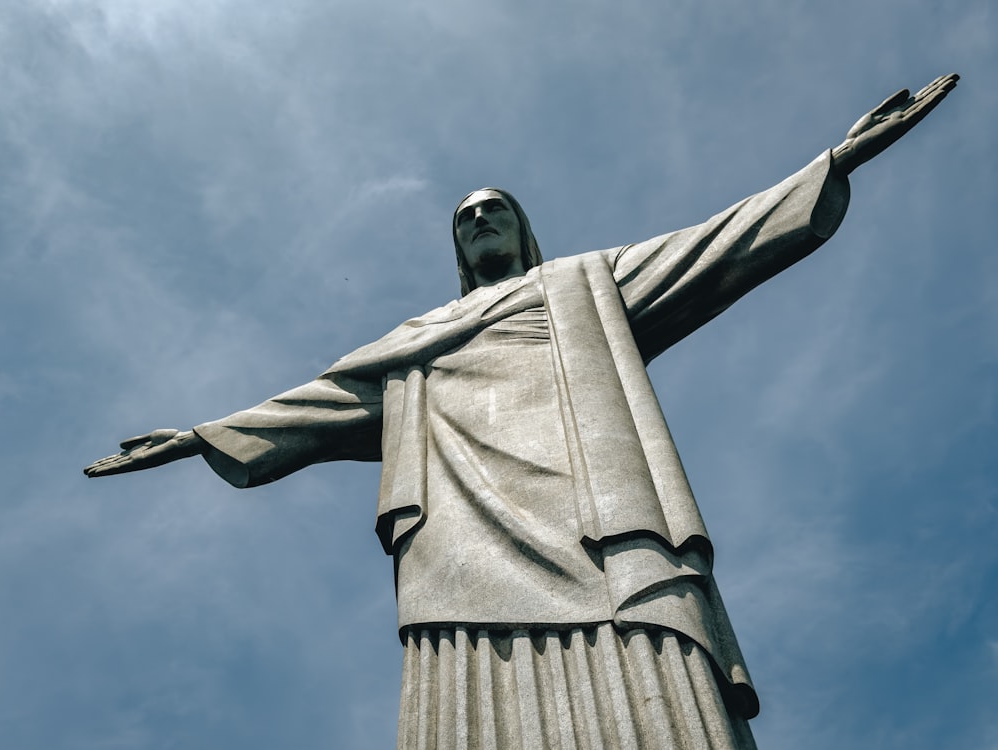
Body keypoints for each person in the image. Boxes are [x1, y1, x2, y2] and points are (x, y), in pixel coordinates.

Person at [85, 75, 957, 749]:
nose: (479, 221)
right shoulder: (416, 339)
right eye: (464, 219)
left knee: (651, 665)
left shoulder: (584, 286)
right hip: (460, 536)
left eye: (494, 209)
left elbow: (716, 245)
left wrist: (832, 165)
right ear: (456, 248)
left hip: (596, 517)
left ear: (523, 228)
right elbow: (311, 406)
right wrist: (197, 435)